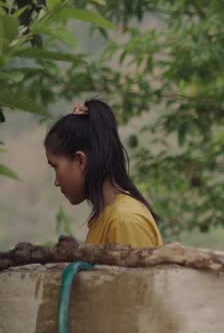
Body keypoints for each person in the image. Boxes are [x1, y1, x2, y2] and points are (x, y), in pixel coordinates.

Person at [44, 99, 163, 248]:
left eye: (55, 167)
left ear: (80, 161)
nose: (56, 182)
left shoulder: (125, 221)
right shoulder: (105, 219)